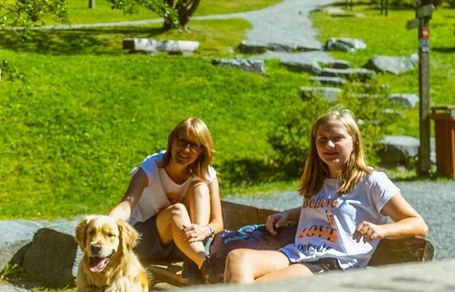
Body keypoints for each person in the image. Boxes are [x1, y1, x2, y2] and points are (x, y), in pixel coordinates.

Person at [224, 109, 427, 283]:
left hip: (333, 262)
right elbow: (329, 207)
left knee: (260, 288)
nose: (329, 145)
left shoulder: (371, 181)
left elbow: (417, 223)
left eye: (337, 138)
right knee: (237, 258)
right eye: (323, 139)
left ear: (354, 141)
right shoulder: (318, 180)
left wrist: (381, 230)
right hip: (299, 253)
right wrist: (289, 215)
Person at [107, 118, 223, 271]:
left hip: (185, 243)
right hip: (147, 243)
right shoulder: (150, 168)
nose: (186, 149)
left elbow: (218, 222)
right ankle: (206, 266)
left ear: (200, 150)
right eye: (182, 141)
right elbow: (125, 206)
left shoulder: (206, 174)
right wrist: (104, 225)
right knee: (177, 210)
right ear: (172, 141)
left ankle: (196, 259)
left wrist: (205, 230)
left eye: (193, 145)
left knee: (200, 187)